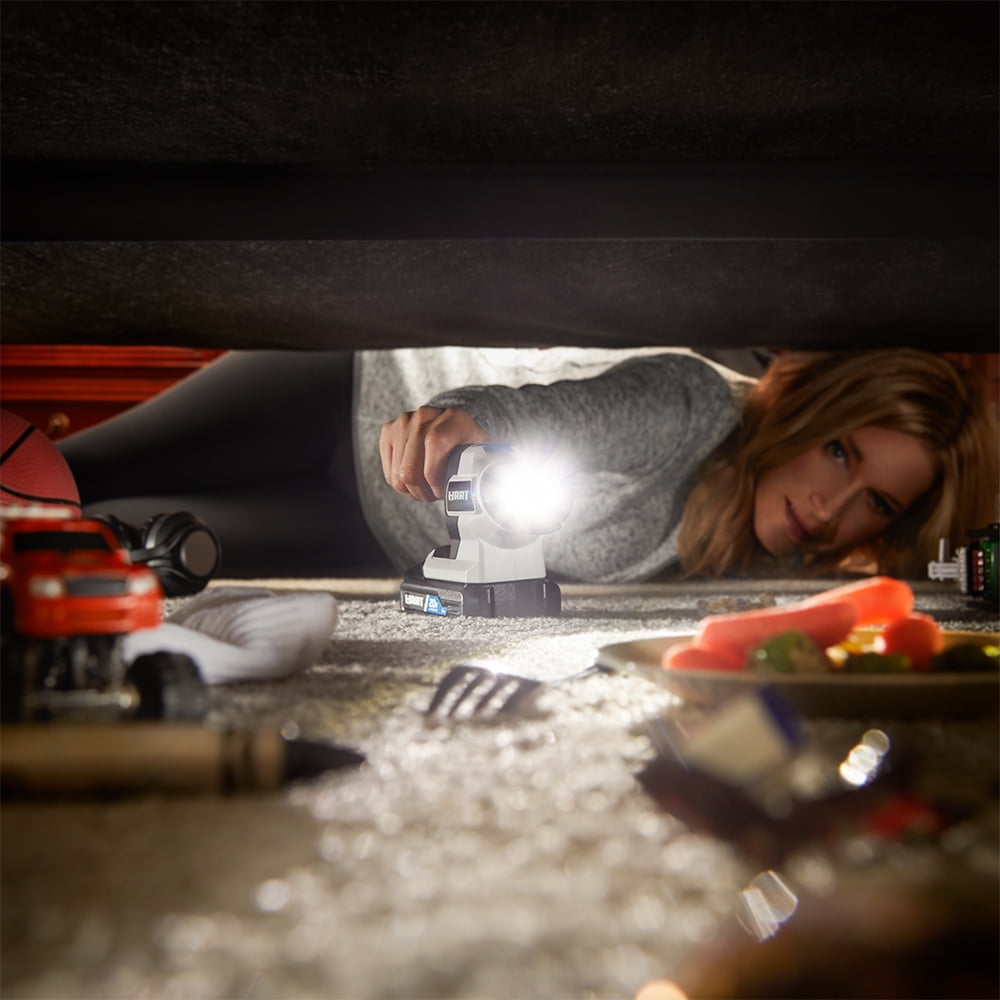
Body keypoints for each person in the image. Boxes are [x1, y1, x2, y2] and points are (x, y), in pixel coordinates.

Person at [58, 346, 998, 582]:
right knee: (59, 478)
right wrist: (473, 424)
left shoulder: (771, 563)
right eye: (839, 451)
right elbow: (568, 417)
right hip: (344, 398)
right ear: (806, 412)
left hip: (377, 538)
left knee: (117, 544)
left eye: (877, 501)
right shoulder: (695, 404)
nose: (831, 507)